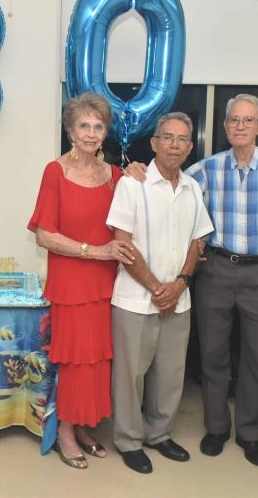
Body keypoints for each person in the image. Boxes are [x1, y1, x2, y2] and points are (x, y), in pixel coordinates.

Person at [127, 94, 258, 467]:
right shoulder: (204, 170)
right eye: (234, 120)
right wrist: (133, 169)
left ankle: (252, 434)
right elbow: (167, 182)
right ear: (224, 127)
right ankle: (217, 428)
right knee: (213, 355)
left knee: (256, 357)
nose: (240, 126)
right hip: (215, 271)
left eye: (248, 120)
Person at [28, 92, 134, 469]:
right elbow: (44, 235)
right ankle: (65, 432)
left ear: (106, 132)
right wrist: (96, 251)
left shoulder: (116, 177)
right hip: (72, 284)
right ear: (70, 130)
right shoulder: (55, 172)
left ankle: (85, 424)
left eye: (98, 126)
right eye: (83, 126)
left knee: (98, 361)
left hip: (108, 285)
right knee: (75, 361)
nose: (91, 133)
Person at [106, 112, 213, 474]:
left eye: (182, 139)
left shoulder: (192, 188)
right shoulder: (131, 184)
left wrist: (181, 282)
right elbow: (123, 243)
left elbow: (198, 241)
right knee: (131, 376)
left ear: (189, 147)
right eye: (167, 137)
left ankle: (160, 434)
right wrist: (155, 287)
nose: (174, 145)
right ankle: (129, 440)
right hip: (136, 300)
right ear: (154, 143)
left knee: (170, 374)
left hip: (178, 299)